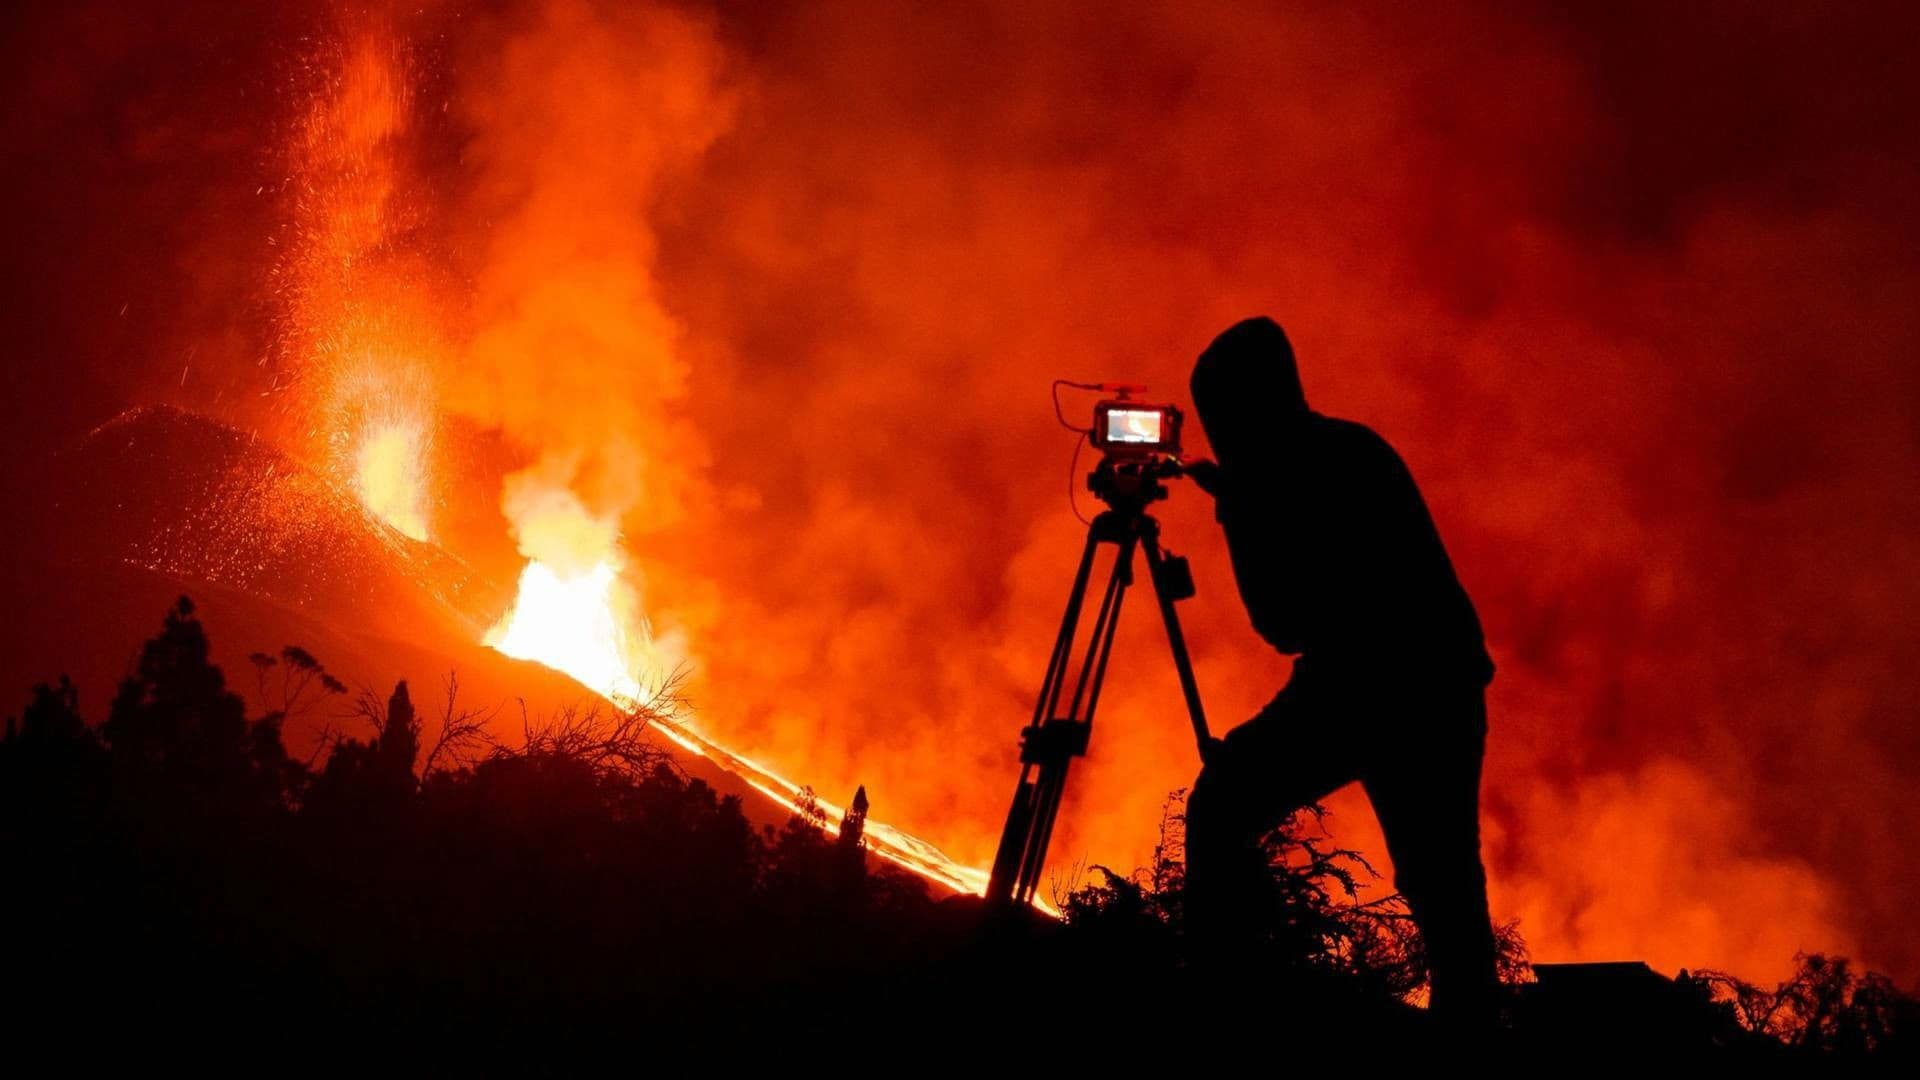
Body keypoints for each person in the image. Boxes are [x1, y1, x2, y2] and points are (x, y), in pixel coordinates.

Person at [1181, 316, 1500, 1023]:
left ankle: (1217, 1000)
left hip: (1378, 686)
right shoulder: (1350, 448)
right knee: (1444, 883)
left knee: (1222, 807)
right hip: (1431, 682)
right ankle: (1471, 1030)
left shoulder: (1290, 476)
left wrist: (1239, 509)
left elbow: (1282, 622)